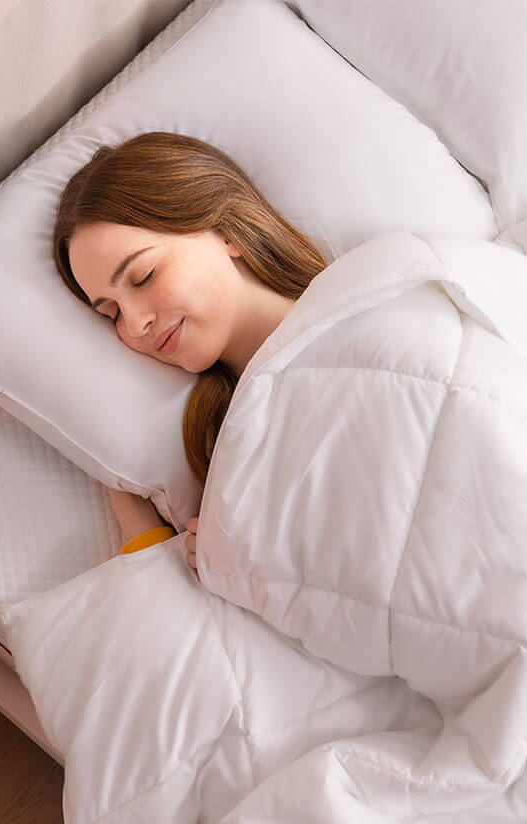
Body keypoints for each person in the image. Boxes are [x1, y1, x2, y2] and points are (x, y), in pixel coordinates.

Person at [51, 132, 328, 571]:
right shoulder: (228, 455)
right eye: (112, 314)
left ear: (225, 232)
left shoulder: (385, 291)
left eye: (143, 276)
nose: (136, 323)